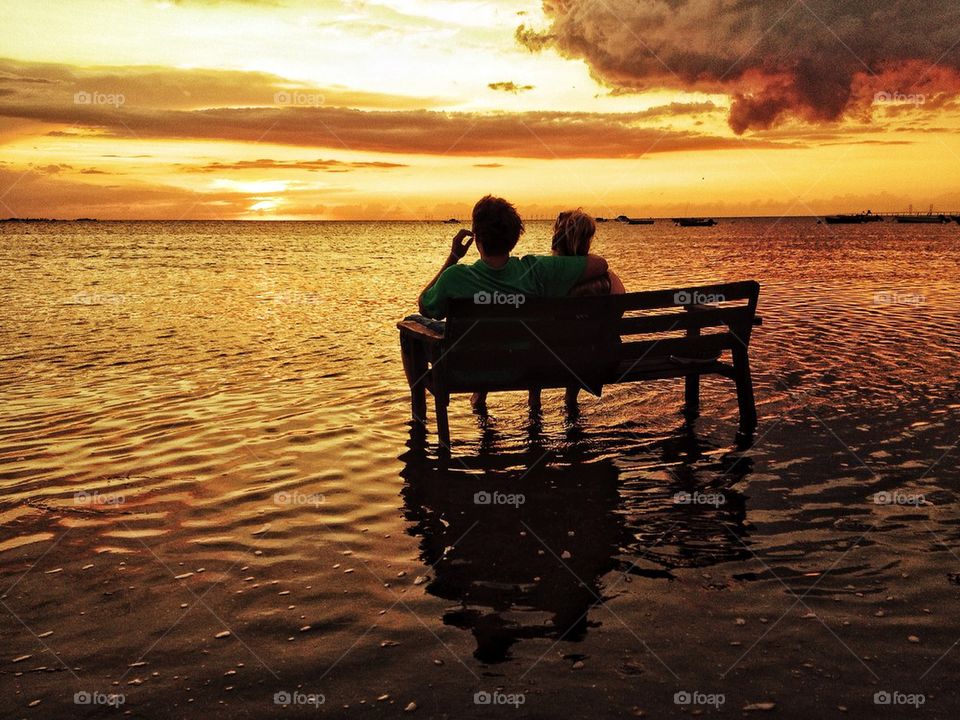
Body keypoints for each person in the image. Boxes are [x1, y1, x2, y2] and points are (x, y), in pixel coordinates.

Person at [412, 196, 618, 414]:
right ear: (514, 238)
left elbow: (425, 307)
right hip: (524, 366)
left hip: (470, 371)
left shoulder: (455, 277)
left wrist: (453, 256)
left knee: (412, 323)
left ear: (477, 238)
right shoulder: (536, 270)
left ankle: (418, 416)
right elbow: (600, 264)